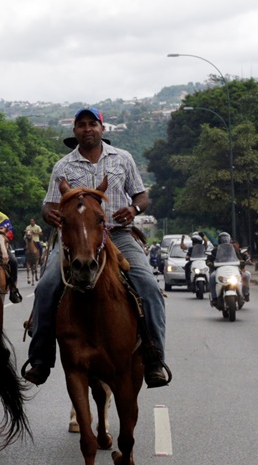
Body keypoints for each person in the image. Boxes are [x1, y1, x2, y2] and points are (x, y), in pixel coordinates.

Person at [22, 106, 170, 388]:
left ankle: (154, 357)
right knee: (46, 287)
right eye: (81, 125)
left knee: (149, 287)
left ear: (102, 129)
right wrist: (49, 214)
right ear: (74, 131)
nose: (87, 128)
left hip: (117, 235)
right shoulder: (63, 166)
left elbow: (141, 194)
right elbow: (50, 204)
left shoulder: (122, 159)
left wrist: (134, 208)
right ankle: (40, 358)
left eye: (93, 124)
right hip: (76, 240)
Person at [206, 231, 250, 304]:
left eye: (226, 239)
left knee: (246, 275)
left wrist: (243, 261)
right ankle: (214, 298)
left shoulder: (233, 250)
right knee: (212, 277)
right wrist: (210, 263)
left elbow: (240, 258)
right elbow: (208, 259)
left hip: (233, 269)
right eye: (223, 239)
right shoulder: (215, 250)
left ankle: (245, 294)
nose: (224, 241)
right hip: (219, 270)